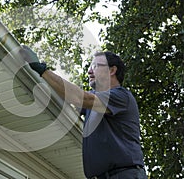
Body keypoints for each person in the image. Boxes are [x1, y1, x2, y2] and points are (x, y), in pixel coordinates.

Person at [20, 46, 147, 179]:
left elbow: (79, 97)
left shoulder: (121, 96)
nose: (89, 71)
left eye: (96, 66)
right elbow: (66, 100)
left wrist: (42, 70)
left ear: (112, 70)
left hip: (125, 175)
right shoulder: (90, 106)